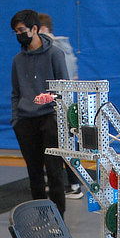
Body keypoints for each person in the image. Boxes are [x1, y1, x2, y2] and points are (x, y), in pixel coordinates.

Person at [11, 10, 69, 216]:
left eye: (21, 30)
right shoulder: (18, 60)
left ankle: (58, 217)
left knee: (54, 171)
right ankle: (42, 215)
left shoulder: (55, 54)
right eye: (15, 31)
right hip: (25, 121)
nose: (18, 34)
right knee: (34, 172)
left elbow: (64, 89)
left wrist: (58, 119)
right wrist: (16, 119)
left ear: (34, 29)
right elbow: (15, 92)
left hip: (49, 119)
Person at [38, 13, 83, 200]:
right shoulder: (66, 48)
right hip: (66, 106)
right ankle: (71, 183)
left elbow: (63, 81)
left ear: (42, 30)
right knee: (65, 147)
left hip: (60, 108)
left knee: (63, 148)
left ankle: (74, 185)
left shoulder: (54, 50)